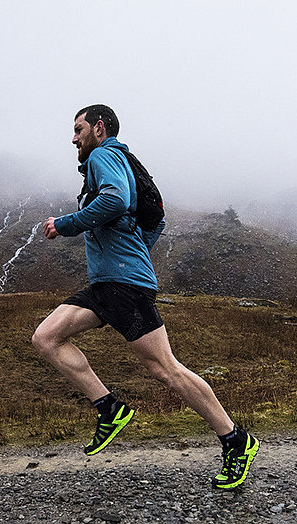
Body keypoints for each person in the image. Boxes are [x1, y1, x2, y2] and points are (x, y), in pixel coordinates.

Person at [33, 104, 259, 490]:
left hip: (124, 286)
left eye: (78, 129)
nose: (73, 139)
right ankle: (109, 408)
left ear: (99, 128)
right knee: (46, 337)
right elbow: (151, 220)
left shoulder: (104, 155)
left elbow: (115, 201)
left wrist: (65, 224)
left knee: (166, 370)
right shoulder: (118, 161)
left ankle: (236, 440)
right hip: (106, 284)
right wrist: (135, 249)